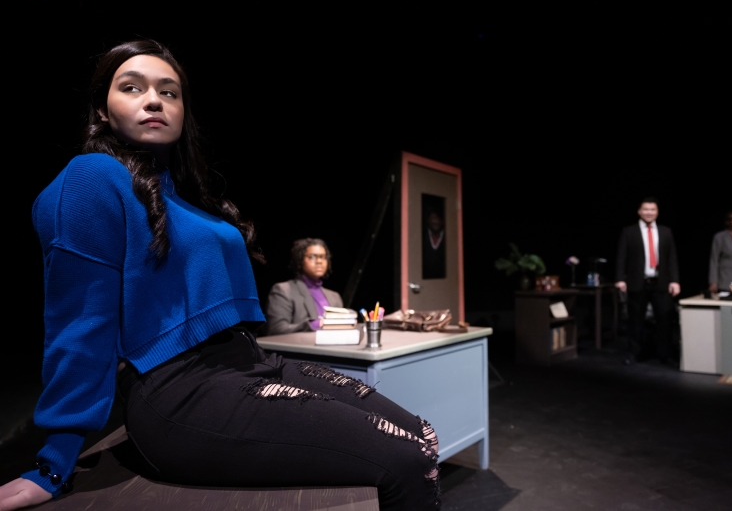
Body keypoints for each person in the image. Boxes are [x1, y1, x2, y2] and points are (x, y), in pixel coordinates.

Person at [0, 40, 440, 511]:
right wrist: (55, 460)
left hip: (249, 362)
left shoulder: (183, 194)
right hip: (181, 390)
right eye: (131, 87)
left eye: (169, 92)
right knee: (405, 460)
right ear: (102, 111)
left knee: (422, 435)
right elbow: (80, 324)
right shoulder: (91, 177)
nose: (153, 100)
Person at [615, 197, 680, 365]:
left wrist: (675, 281)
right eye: (646, 209)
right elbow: (621, 257)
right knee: (635, 319)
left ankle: (664, 354)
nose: (649, 212)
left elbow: (672, 258)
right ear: (639, 211)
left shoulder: (666, 231)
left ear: (657, 212)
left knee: (664, 319)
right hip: (638, 281)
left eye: (653, 210)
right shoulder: (629, 231)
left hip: (661, 282)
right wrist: (620, 279)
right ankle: (633, 353)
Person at [266, 238, 343, 335]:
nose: (319, 261)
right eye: (312, 256)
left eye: (323, 257)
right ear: (300, 259)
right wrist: (314, 325)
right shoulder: (283, 290)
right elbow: (275, 329)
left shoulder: (334, 296)